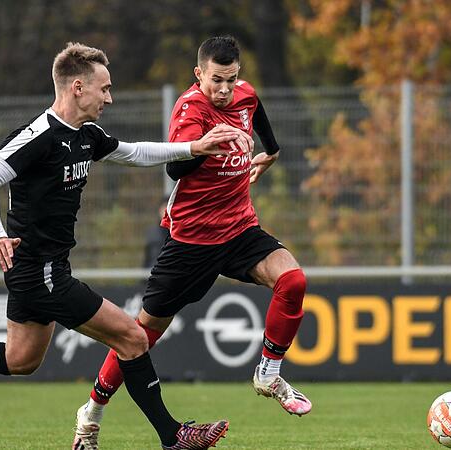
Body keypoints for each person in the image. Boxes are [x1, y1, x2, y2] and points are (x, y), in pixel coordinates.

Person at [0, 42, 254, 450]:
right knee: (132, 337)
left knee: (21, 360)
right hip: (41, 272)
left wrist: (195, 147)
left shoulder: (86, 135)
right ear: (78, 88)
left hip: (38, 270)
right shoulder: (40, 136)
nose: (110, 97)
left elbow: (134, 152)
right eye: (104, 88)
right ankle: (173, 436)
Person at [72, 35, 312, 449]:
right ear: (199, 73)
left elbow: (257, 112)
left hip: (239, 229)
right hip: (192, 241)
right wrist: (209, 143)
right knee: (140, 335)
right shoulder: (190, 109)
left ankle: (268, 374)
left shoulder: (244, 95)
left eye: (231, 80)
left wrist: (270, 152)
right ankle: (91, 412)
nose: (224, 89)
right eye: (216, 80)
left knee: (293, 281)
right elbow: (176, 172)